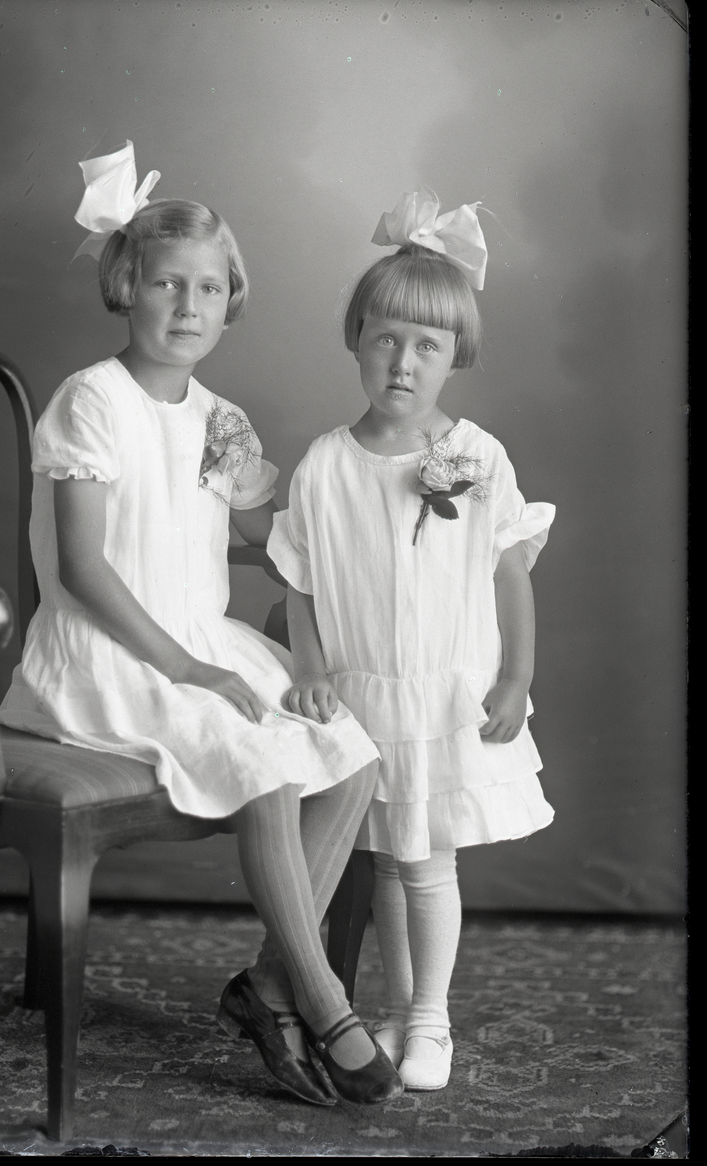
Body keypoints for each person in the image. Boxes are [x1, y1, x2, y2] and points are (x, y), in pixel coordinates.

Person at [0, 142, 404, 1108]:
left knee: (351, 754)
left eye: (210, 289)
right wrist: (189, 668)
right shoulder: (92, 400)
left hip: (200, 639)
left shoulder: (220, 418)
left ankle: (267, 983)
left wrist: (372, 501)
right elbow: (86, 570)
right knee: (260, 757)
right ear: (125, 287)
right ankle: (321, 999)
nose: (189, 306)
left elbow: (268, 535)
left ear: (231, 303)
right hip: (108, 652)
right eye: (167, 284)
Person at [267, 189, 556, 1092]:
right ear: (356, 339)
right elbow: (300, 583)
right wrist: (310, 668)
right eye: (386, 339)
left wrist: (515, 680)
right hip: (366, 693)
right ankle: (397, 1011)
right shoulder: (325, 465)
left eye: (427, 345)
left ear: (454, 354)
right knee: (393, 860)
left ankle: (431, 1017)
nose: (402, 362)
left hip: (444, 688)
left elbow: (508, 571)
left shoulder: (475, 455)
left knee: (428, 863)